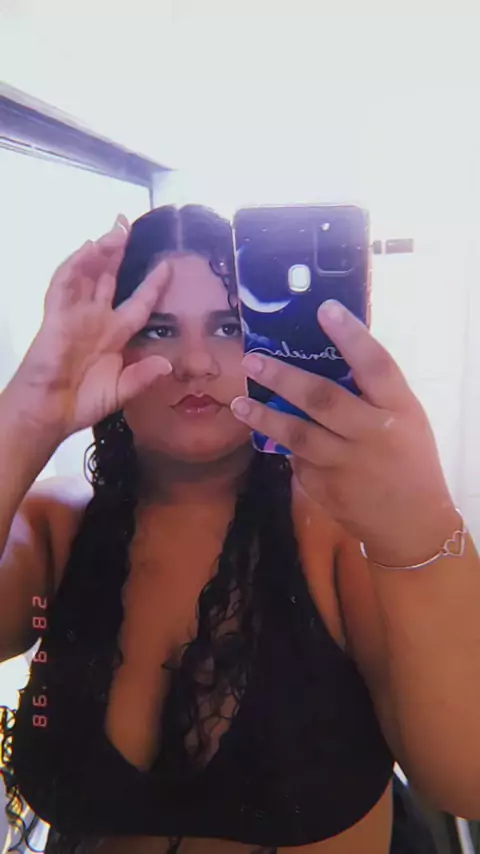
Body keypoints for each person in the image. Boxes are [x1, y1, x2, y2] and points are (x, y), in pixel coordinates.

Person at [0, 204, 479, 854]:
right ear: (113, 343)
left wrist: (421, 528)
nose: (196, 361)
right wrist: (27, 417)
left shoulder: (343, 533)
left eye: (228, 326)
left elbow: (467, 783)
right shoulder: (54, 526)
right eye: (159, 328)